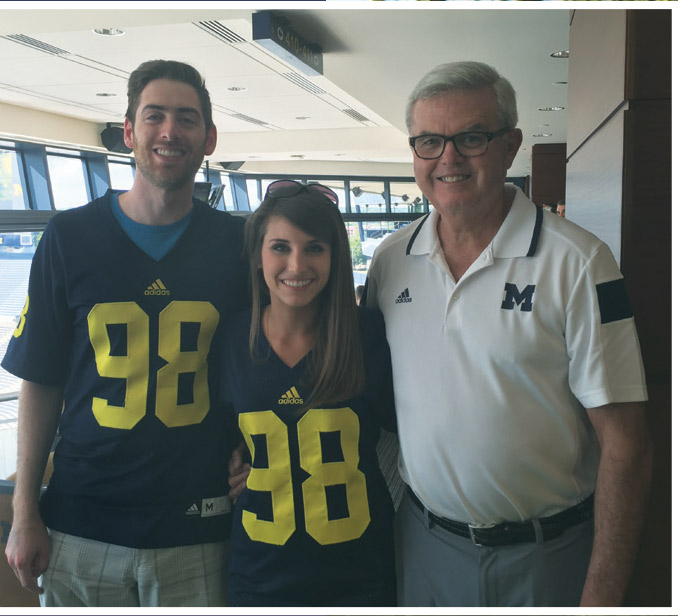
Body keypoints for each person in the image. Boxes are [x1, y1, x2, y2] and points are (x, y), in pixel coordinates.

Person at [363, 61, 652, 607]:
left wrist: (604, 597)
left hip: (548, 558)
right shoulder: (389, 261)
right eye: (429, 141)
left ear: (511, 145)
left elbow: (627, 444)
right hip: (422, 548)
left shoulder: (580, 263)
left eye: (471, 138)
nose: (448, 158)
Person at [2, 59, 249, 607]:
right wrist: (25, 513)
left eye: (187, 119)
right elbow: (40, 380)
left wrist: (256, 448)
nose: (170, 131)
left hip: (200, 526)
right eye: (155, 116)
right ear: (130, 132)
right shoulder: (69, 237)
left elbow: (268, 359)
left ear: (208, 139)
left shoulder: (240, 244)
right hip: (82, 524)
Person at [219, 180, 397, 607]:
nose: (296, 265)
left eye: (315, 248)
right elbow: (212, 439)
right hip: (258, 575)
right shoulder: (228, 338)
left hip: (361, 574)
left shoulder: (369, 334)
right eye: (280, 247)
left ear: (335, 256)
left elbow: (414, 433)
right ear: (258, 255)